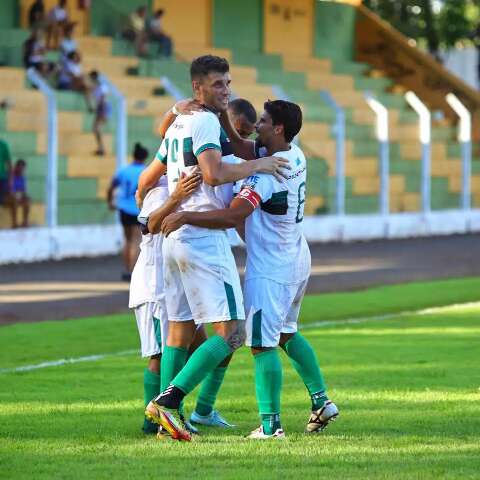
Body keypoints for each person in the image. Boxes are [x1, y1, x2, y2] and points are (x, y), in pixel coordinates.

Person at [161, 100, 339, 439]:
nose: (257, 125)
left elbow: (233, 215)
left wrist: (184, 215)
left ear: (278, 129)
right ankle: (321, 401)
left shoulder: (266, 174)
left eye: (263, 121)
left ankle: (270, 426)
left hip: (271, 267)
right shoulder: (293, 154)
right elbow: (245, 147)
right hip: (297, 255)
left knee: (260, 344)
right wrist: (223, 119)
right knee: (287, 332)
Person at [136, 55, 290, 441]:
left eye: (228, 82)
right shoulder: (203, 120)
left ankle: (168, 424)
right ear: (197, 89)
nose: (226, 89)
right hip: (202, 237)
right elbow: (213, 173)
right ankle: (167, 404)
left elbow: (153, 175)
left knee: (179, 332)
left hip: (174, 239)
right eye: (218, 84)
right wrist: (260, 166)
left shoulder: (179, 124)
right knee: (231, 333)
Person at [107, 143, 148, 281]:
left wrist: (110, 202)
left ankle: (126, 270)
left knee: (127, 239)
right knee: (136, 241)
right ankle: (133, 272)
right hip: (137, 209)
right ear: (145, 157)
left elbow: (111, 187)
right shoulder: (146, 171)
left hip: (123, 209)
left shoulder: (123, 171)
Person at [89, 71, 111, 156]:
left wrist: (100, 109)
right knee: (95, 128)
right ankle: (100, 147)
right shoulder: (96, 87)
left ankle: (102, 148)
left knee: (97, 128)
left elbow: (103, 98)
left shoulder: (102, 86)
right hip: (101, 107)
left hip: (103, 107)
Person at [8, 159, 30, 229]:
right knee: (15, 200)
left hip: (18, 196)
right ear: (16, 167)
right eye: (20, 168)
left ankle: (25, 222)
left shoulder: (22, 177)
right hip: (9, 196)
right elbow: (11, 190)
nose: (21, 170)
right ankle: (14, 223)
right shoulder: (11, 176)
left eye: (23, 169)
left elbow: (23, 190)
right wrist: (18, 194)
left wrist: (23, 195)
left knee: (27, 199)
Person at [0, 139, 12, 213]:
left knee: (2, 201)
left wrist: (10, 180)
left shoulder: (3, 145)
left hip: (2, 178)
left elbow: (8, 163)